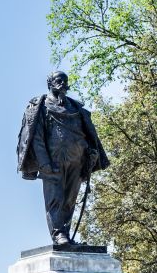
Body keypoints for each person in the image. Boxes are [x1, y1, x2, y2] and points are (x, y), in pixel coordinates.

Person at [16, 70, 109, 246]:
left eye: (65, 81)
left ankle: (66, 233)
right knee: (55, 199)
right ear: (50, 83)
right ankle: (58, 234)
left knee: (70, 199)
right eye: (59, 81)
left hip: (77, 160)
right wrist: (44, 163)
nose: (63, 85)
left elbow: (86, 133)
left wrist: (91, 152)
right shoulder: (41, 107)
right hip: (52, 162)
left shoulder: (76, 108)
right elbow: (36, 137)